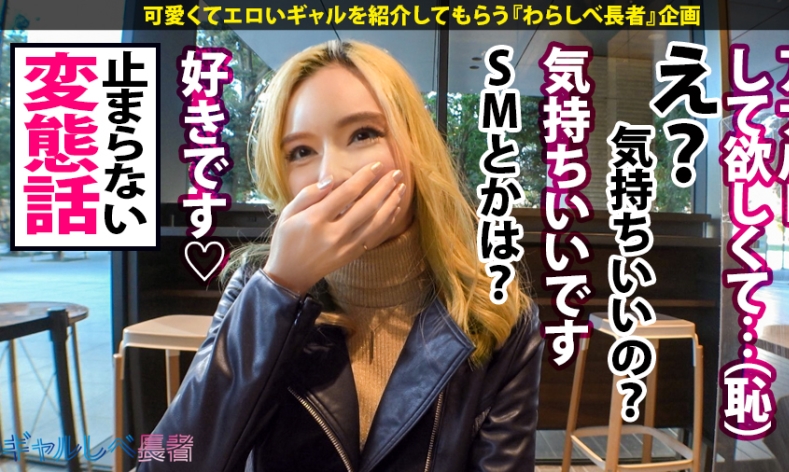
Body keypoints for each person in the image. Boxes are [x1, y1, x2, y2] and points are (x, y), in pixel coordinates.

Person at [140, 40, 543, 472]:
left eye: (363, 134)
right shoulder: (257, 289)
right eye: (301, 152)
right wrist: (281, 289)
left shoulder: (499, 318)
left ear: (415, 147)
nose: (331, 175)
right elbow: (165, 462)